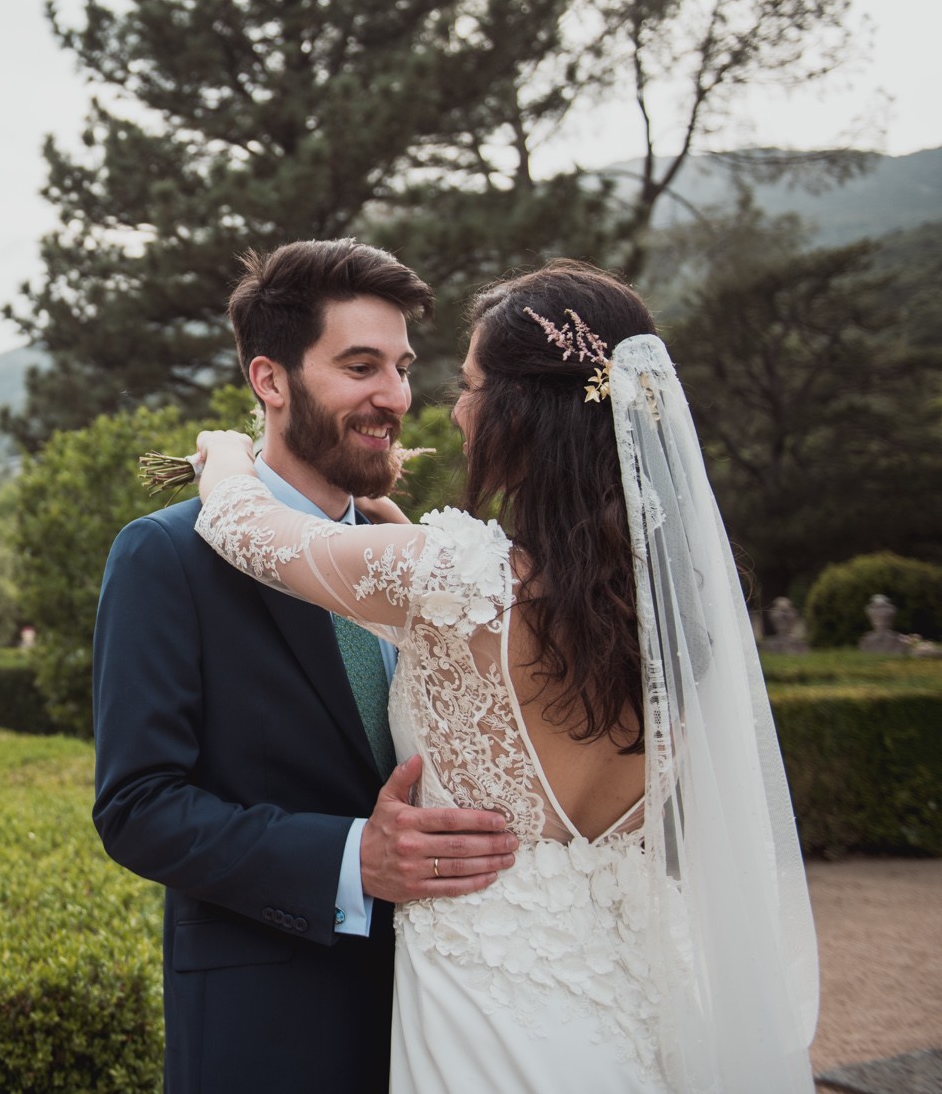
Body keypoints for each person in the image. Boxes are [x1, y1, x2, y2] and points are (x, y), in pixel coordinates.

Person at [190, 258, 819, 1091]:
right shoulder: (676, 606)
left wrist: (225, 455)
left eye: (472, 384)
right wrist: (405, 536)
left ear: (524, 411)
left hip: (483, 1014)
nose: (450, 408)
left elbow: (245, 529)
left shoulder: (456, 578)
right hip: (626, 1011)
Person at [91, 240, 519, 1093]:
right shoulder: (166, 556)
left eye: (401, 367)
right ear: (270, 380)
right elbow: (137, 806)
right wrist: (350, 858)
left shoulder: (423, 560)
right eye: (360, 366)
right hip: (272, 1033)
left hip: (454, 1019)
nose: (394, 397)